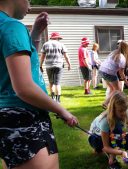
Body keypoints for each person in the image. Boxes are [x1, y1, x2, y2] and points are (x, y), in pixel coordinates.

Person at [0, 2, 78, 169]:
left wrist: (35, 35)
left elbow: (25, 66)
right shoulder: (12, 27)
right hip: (24, 116)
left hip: (6, 118)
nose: (30, 3)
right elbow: (24, 88)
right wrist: (61, 110)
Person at [88, 91, 128, 169]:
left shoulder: (125, 112)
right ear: (113, 109)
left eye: (125, 109)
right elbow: (106, 147)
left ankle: (112, 153)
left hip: (112, 136)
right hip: (96, 138)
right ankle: (110, 157)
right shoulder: (105, 121)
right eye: (121, 110)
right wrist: (121, 152)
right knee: (116, 130)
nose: (124, 113)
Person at [99, 41, 128, 108]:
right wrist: (127, 83)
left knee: (112, 89)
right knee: (118, 90)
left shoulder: (113, 52)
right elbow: (121, 73)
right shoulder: (122, 58)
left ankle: (110, 105)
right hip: (109, 73)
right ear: (126, 49)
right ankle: (106, 103)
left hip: (102, 70)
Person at [40, 32, 71, 103]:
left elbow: (42, 57)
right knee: (57, 83)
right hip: (59, 65)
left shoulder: (45, 44)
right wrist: (69, 64)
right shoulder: (61, 44)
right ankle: (58, 100)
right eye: (59, 38)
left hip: (49, 66)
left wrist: (40, 65)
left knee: (51, 83)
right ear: (57, 38)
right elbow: (66, 56)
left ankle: (53, 98)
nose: (59, 40)